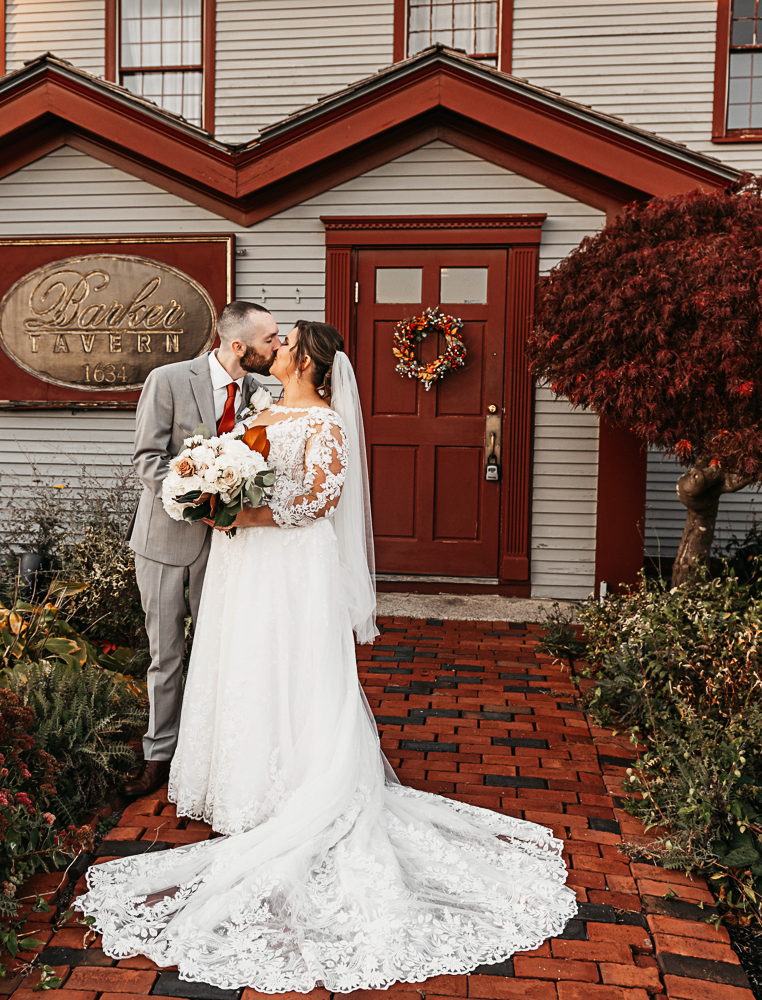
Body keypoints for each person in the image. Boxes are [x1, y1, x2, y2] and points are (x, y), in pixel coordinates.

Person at [77, 321, 577, 993]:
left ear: (308, 361)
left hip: (286, 562)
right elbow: (233, 469)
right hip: (241, 564)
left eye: (283, 345)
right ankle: (232, 780)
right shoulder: (261, 407)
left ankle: (292, 785)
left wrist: (241, 516)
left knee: (289, 663)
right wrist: (211, 488)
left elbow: (319, 499)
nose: (271, 349)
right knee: (239, 662)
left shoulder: (326, 424)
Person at [121, 300, 280, 799]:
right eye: (269, 339)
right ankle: (159, 755)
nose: (276, 348)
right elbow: (147, 459)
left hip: (232, 550)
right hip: (165, 543)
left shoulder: (261, 395)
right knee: (165, 655)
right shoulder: (168, 380)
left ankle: (208, 754)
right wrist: (197, 489)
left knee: (221, 655)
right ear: (239, 346)